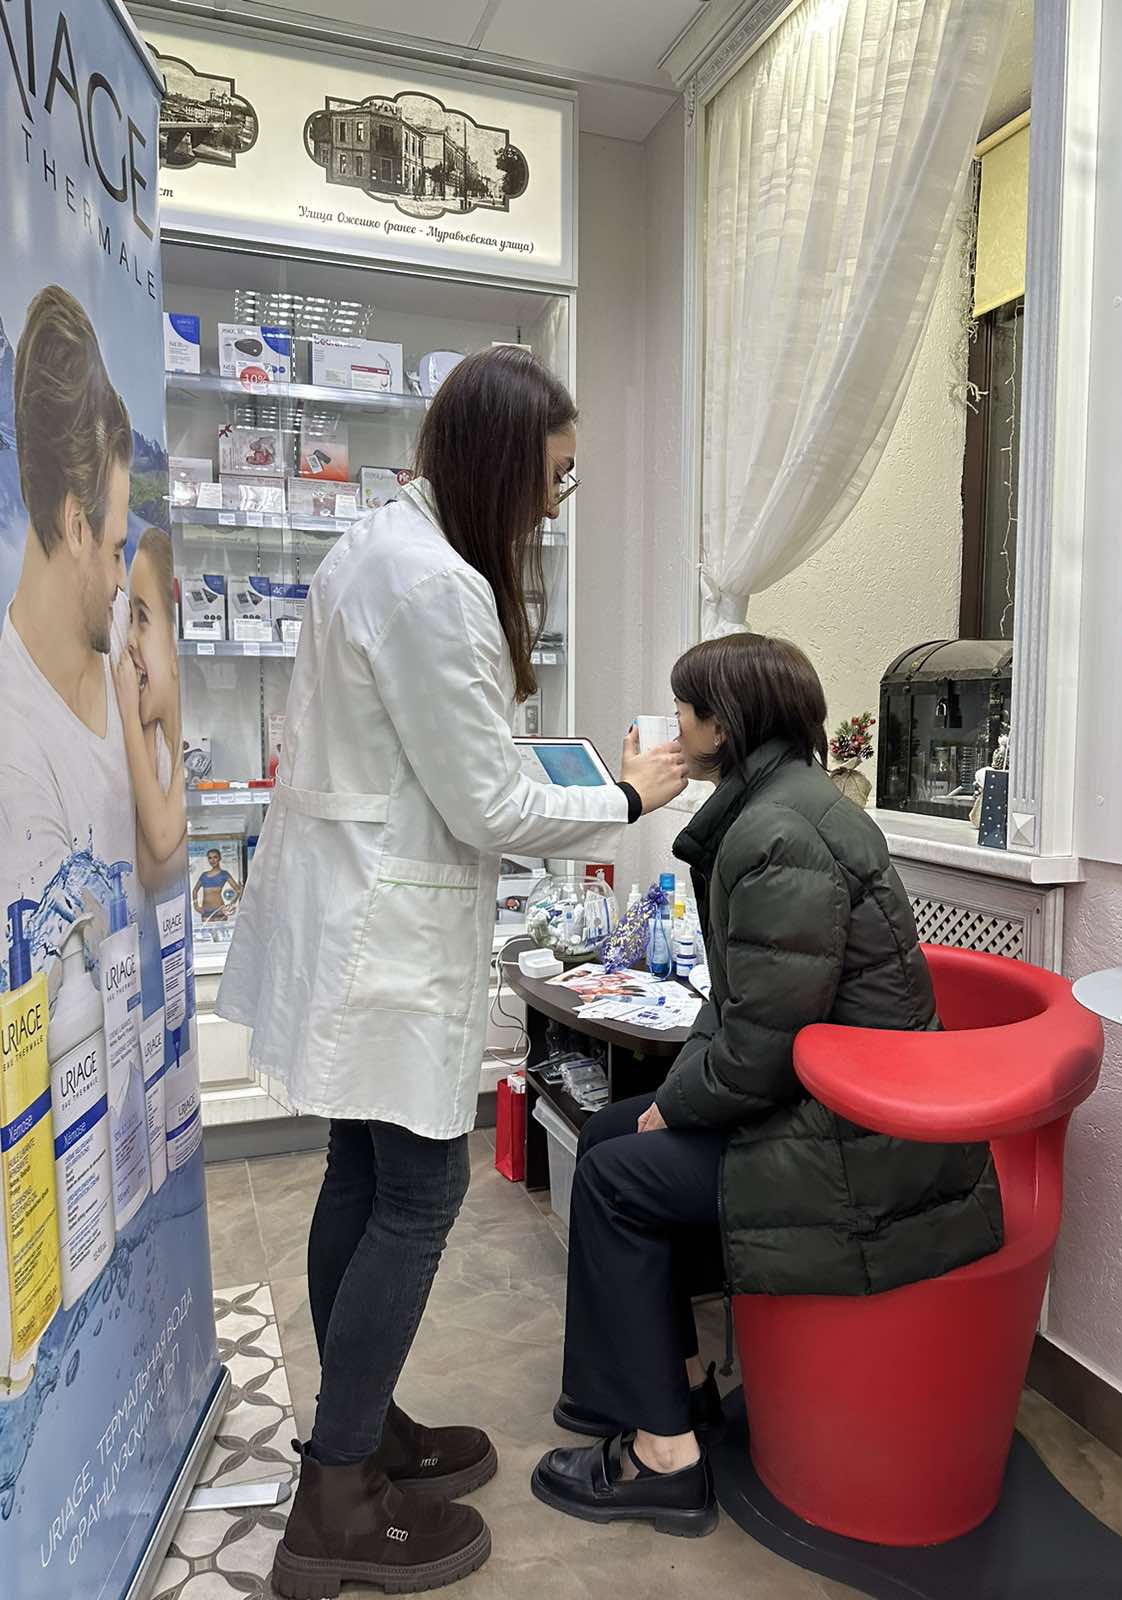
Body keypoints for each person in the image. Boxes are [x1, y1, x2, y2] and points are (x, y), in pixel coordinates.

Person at [216, 347, 688, 1597]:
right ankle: (336, 1499)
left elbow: (451, 752)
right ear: (503, 460)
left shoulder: (379, 546)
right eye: (555, 475)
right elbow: (486, 802)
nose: (553, 502)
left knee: (361, 1172)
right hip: (384, 927)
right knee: (420, 1195)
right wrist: (627, 794)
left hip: (355, 908)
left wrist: (549, 771)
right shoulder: (435, 584)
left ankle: (360, 1427)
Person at [532, 634, 1004, 1537]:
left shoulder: (777, 834)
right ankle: (676, 1386)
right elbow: (750, 1009)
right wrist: (668, 1102)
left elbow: (761, 1048)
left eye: (684, 711)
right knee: (607, 1134)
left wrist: (676, 1106)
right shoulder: (784, 804)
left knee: (619, 1174)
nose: (675, 727)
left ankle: (665, 1461)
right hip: (827, 1106)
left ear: (724, 725)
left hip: (859, 1145)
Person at [0, 285, 139, 907]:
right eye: (116, 551)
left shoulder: (119, 621)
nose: (122, 580)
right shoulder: (15, 749)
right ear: (78, 526)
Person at [115, 529, 187, 889]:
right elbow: (148, 862)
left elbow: (157, 842)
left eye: (141, 617)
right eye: (129, 617)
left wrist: (130, 716)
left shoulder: (191, 750)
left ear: (175, 642)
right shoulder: (154, 735)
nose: (129, 639)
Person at [192, 847, 241, 922]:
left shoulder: (224, 874)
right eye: (210, 858)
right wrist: (196, 906)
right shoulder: (204, 875)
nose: (212, 860)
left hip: (220, 911)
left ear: (219, 858)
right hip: (206, 911)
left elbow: (238, 890)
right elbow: (195, 890)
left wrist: (231, 904)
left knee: (223, 929)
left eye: (215, 857)